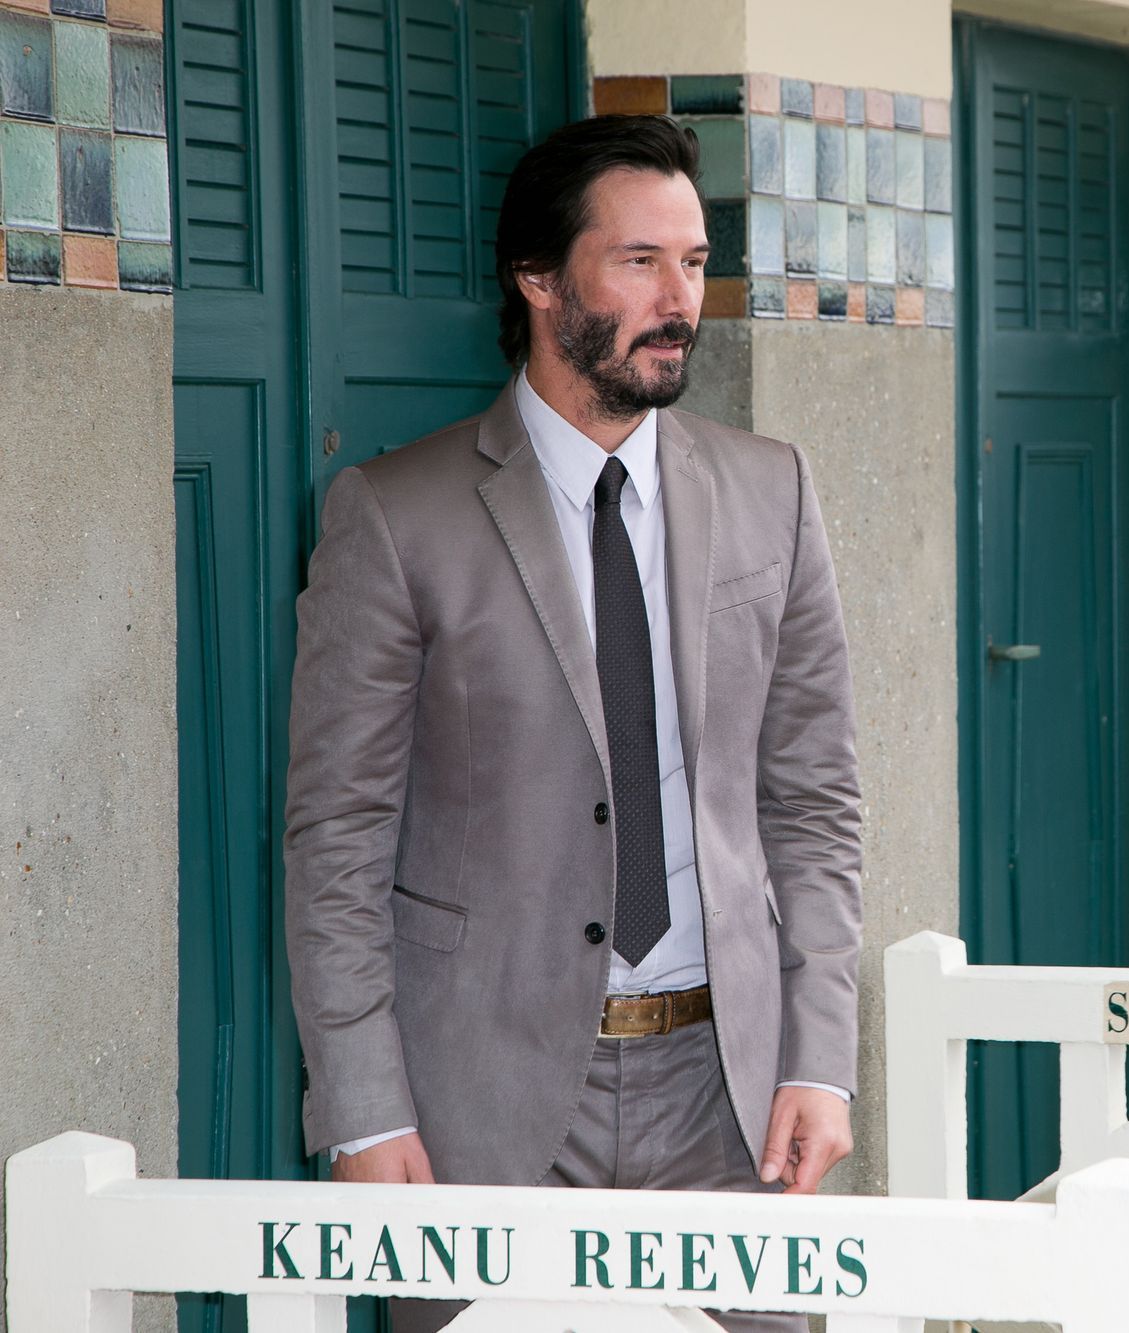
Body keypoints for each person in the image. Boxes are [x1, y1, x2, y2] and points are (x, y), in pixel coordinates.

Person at [283, 114, 863, 1333]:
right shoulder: (395, 516)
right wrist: (363, 1104)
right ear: (540, 281)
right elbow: (337, 837)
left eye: (695, 263)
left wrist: (817, 1054)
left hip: (730, 1091)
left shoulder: (775, 491)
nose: (679, 299)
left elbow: (811, 801)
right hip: (473, 1101)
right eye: (639, 261)